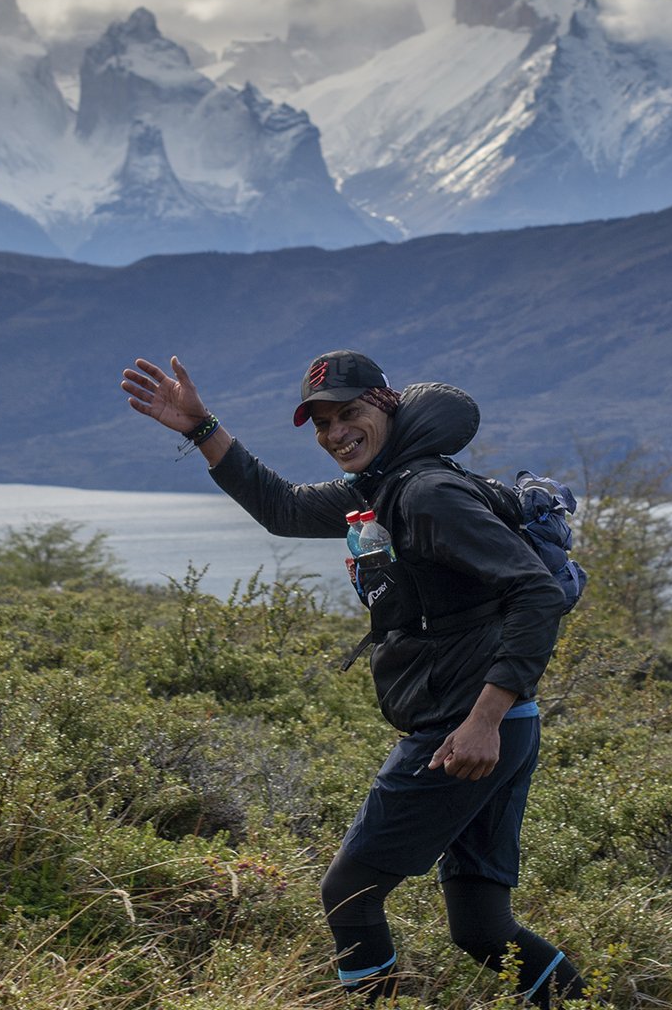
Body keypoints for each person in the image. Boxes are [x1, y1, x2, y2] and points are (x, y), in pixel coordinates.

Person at [121, 350, 587, 1007]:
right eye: (321, 423)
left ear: (386, 404)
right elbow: (280, 507)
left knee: (349, 892)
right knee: (482, 927)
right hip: (499, 726)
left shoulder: (427, 492)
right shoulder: (380, 488)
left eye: (350, 414)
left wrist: (481, 720)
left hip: (465, 732)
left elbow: (535, 595)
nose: (335, 432)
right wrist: (202, 429)